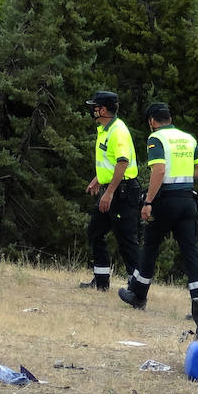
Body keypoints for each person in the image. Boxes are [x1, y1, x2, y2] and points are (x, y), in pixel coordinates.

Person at [119, 103, 198, 312]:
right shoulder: (188, 138)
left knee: (150, 247)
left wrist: (148, 201)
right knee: (191, 252)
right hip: (187, 200)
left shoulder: (156, 138)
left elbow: (158, 171)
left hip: (165, 201)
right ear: (169, 118)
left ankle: (138, 295)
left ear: (152, 121)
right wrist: (183, 178)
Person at [80, 90, 141, 292]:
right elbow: (111, 160)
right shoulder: (105, 129)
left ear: (103, 109)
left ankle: (137, 288)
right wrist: (99, 179)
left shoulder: (118, 131)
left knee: (126, 240)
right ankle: (101, 281)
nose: (93, 111)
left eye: (95, 107)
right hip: (113, 189)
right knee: (95, 231)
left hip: (123, 192)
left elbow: (123, 162)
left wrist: (109, 192)